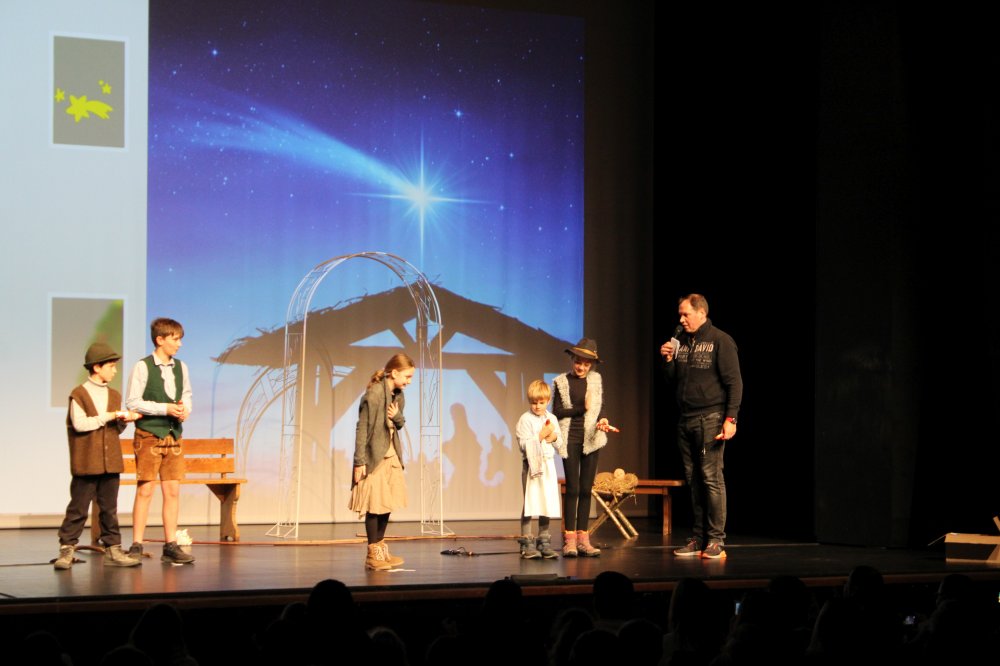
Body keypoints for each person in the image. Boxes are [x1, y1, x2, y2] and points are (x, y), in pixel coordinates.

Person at [660, 294, 743, 560]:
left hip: (711, 417)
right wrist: (668, 360)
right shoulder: (681, 341)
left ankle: (716, 540)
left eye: (685, 314)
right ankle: (698, 537)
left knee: (711, 478)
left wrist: (731, 419)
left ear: (701, 313)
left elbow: (734, 383)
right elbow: (671, 380)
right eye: (680, 314)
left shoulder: (720, 340)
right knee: (693, 480)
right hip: (685, 418)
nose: (681, 319)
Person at [54, 342, 142, 569]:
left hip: (110, 462)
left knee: (109, 509)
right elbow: (80, 424)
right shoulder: (79, 394)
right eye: (111, 366)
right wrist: (110, 416)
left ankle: (113, 549)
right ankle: (67, 548)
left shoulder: (114, 395)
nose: (115, 371)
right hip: (87, 462)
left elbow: (113, 430)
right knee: (78, 508)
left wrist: (123, 420)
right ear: (96, 367)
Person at [125, 317, 195, 564]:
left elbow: (186, 395)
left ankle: (170, 544)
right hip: (149, 435)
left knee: (172, 489)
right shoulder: (143, 367)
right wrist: (164, 408)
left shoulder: (181, 367)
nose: (179, 344)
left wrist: (185, 409)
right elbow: (133, 402)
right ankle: (136, 543)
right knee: (146, 489)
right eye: (175, 339)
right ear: (160, 339)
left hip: (173, 434)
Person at [350, 353, 415, 570]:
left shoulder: (398, 396)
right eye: (407, 376)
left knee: (387, 503)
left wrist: (397, 416)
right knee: (374, 504)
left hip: (391, 454)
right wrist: (359, 461)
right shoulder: (374, 394)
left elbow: (400, 424)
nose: (409, 381)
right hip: (374, 456)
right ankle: (372, 554)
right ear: (394, 372)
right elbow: (362, 428)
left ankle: (380, 548)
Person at [553, 338, 613, 557]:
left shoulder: (596, 380)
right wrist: (581, 409)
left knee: (586, 490)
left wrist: (603, 419)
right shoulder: (561, 381)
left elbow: (600, 406)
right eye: (578, 362)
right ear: (572, 359)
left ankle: (583, 540)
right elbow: (557, 411)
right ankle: (569, 540)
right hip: (570, 437)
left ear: (592, 365)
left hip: (591, 438)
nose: (581, 367)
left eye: (586, 364)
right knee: (573, 489)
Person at [514, 379, 563, 559]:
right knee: (530, 502)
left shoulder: (552, 419)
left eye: (541, 402)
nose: (537, 406)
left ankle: (544, 541)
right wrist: (540, 435)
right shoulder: (525, 419)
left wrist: (553, 436)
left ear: (547, 401)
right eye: (534, 402)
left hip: (547, 464)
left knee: (546, 501)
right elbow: (523, 444)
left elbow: (559, 442)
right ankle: (527, 542)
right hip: (531, 465)